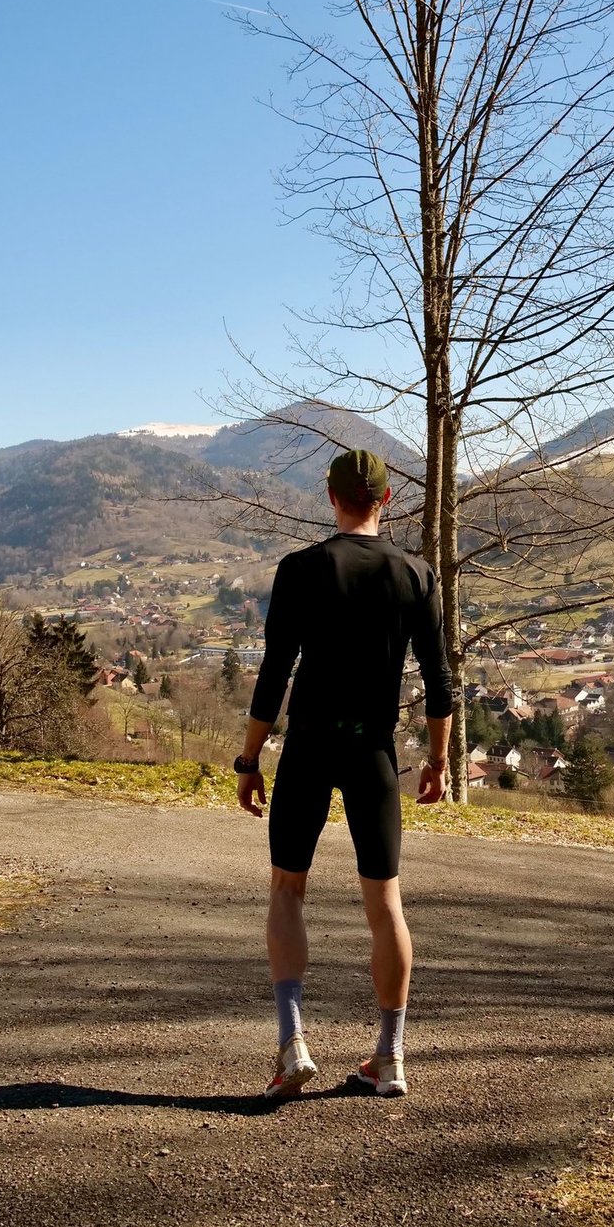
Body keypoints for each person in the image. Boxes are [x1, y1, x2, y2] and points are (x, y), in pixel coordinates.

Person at [234, 447, 453, 1101]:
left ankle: (293, 1044)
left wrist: (250, 759)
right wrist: (438, 762)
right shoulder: (416, 576)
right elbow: (441, 685)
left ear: (331, 499)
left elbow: (274, 676)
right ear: (387, 501)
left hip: (307, 748)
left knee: (287, 889)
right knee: (385, 904)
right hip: (372, 754)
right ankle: (389, 1057)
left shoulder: (301, 569)